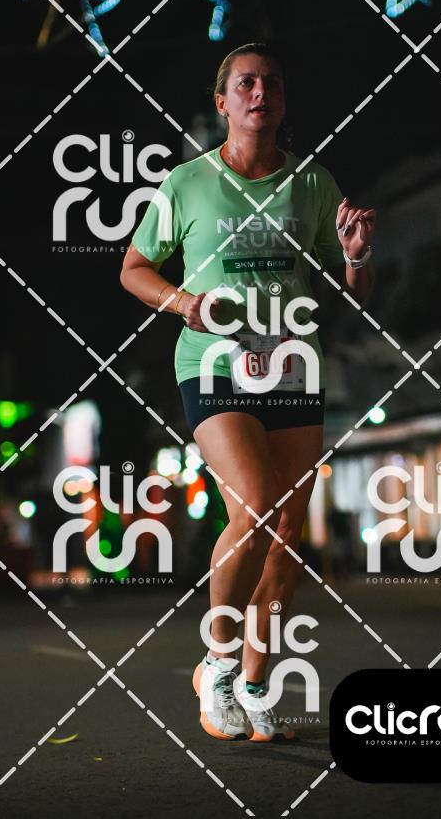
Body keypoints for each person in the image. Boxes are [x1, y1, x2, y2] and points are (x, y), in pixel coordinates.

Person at [120, 42, 376, 741]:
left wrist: (357, 256)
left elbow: (357, 288)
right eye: (246, 83)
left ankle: (258, 685)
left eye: (272, 83)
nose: (260, 92)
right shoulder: (187, 183)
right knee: (258, 507)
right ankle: (219, 662)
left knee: (287, 534)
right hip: (213, 364)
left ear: (283, 100)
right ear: (223, 101)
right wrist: (184, 302)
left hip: (291, 367)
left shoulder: (312, 182)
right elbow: (133, 267)